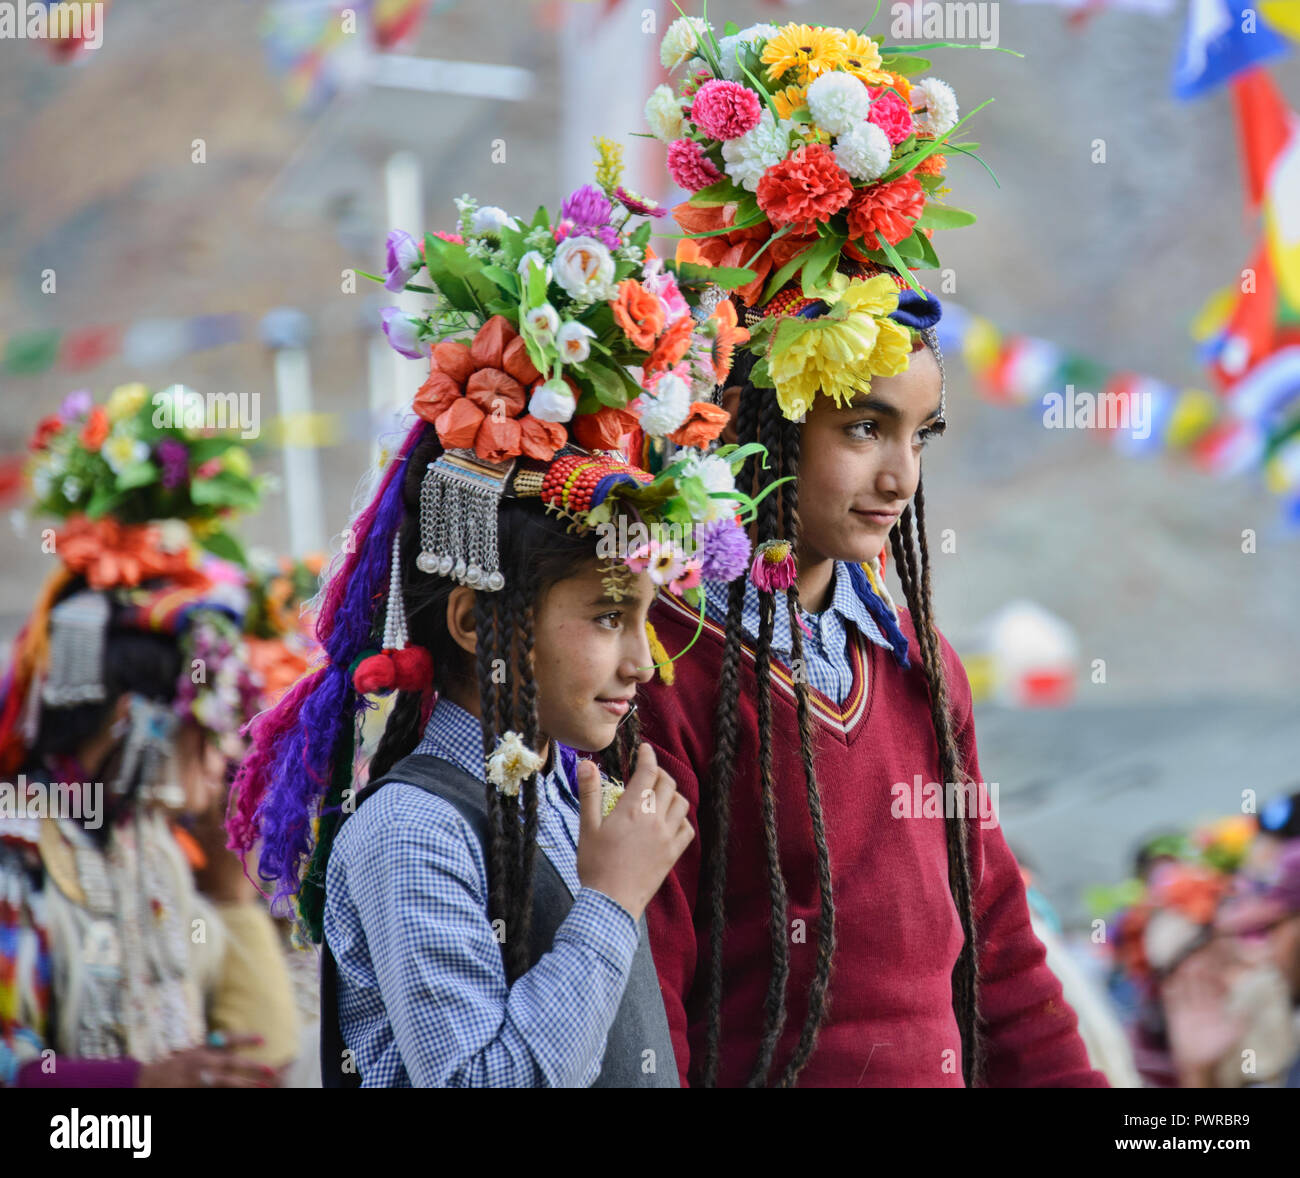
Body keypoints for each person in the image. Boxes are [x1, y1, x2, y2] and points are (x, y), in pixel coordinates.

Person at [631, 14, 1107, 1087]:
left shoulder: (922, 666)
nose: (901, 477)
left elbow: (1003, 958)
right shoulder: (660, 664)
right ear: (765, 417)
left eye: (918, 436)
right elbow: (646, 999)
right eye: (861, 427)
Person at [226, 169, 770, 1087]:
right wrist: (608, 901)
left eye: (644, 617)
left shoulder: (563, 795)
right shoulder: (412, 830)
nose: (645, 664)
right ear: (479, 619)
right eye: (607, 616)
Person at [0, 385, 284, 1088]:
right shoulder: (16, 861)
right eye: (208, 730)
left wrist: (228, 885)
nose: (223, 761)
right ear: (135, 722)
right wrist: (136, 1089)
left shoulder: (150, 850)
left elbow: (263, 1052)